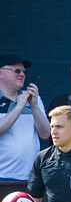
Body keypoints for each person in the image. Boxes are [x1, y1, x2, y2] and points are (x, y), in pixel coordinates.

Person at [0, 53, 49, 181]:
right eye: (16, 70)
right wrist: (18, 108)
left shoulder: (33, 98)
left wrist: (34, 106)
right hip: (2, 176)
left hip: (29, 177)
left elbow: (45, 134)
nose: (22, 74)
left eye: (23, 71)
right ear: (1, 73)